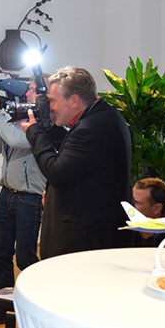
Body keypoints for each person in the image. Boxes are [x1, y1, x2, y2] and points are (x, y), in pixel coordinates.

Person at [20, 66, 132, 258]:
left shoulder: (90, 128)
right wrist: (47, 129)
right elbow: (74, 155)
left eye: (53, 100)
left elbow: (57, 173)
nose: (51, 107)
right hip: (95, 232)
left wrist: (34, 132)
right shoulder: (103, 116)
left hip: (87, 240)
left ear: (74, 101)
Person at [0, 79, 63, 328]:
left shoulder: (45, 125)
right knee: (0, 255)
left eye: (33, 89)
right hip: (6, 194)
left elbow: (17, 141)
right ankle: (3, 310)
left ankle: (37, 310)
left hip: (29, 198)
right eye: (28, 88)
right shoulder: (18, 121)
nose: (27, 92)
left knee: (25, 258)